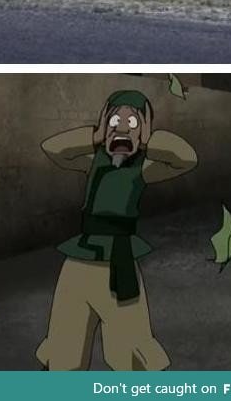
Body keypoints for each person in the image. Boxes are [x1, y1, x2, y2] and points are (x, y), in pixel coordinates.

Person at [36, 89, 197, 372]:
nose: (121, 128)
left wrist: (147, 139)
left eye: (132, 122)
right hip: (78, 264)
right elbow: (52, 148)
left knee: (129, 356)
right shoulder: (94, 162)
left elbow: (186, 157)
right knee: (64, 351)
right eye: (115, 121)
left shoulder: (142, 168)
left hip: (118, 268)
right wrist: (95, 136)